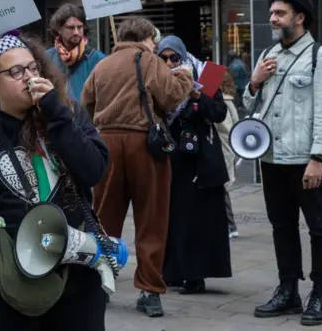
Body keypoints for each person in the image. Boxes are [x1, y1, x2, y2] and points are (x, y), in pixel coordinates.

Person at [0, 32, 110, 330]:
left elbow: (94, 170)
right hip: (6, 289)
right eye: (15, 72)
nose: (29, 77)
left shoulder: (68, 115)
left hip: (76, 281)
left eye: (33, 68)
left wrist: (56, 115)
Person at [243, 0, 322, 326]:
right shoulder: (269, 55)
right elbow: (249, 106)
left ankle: (321, 294)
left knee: (320, 228)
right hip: (272, 160)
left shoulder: (321, 57)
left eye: (280, 13)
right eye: (272, 12)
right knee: (281, 226)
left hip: (307, 159)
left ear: (300, 17)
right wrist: (254, 82)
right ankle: (288, 290)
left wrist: (318, 157)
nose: (272, 18)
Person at [81, 19, 193, 318]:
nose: (155, 45)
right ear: (145, 37)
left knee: (104, 218)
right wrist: (185, 78)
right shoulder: (149, 60)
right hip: (145, 144)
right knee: (152, 219)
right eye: (153, 40)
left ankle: (99, 284)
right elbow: (170, 97)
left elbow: (86, 103)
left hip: (106, 144)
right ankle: (150, 291)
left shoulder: (102, 65)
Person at [159, 35, 232, 295]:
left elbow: (219, 112)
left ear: (183, 55)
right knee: (173, 215)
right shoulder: (157, 79)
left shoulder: (206, 74)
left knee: (199, 217)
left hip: (200, 158)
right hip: (171, 156)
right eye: (163, 58)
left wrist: (197, 96)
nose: (169, 63)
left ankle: (196, 275)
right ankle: (173, 272)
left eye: (174, 58)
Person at [44, 4, 105, 101]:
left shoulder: (97, 58)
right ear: (59, 29)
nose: (76, 32)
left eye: (80, 27)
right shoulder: (46, 57)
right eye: (71, 27)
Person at [216, 72, 240, 239]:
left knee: (220, 189)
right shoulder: (229, 101)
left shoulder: (223, 102)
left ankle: (230, 226)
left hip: (222, 148)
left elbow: (224, 126)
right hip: (227, 148)